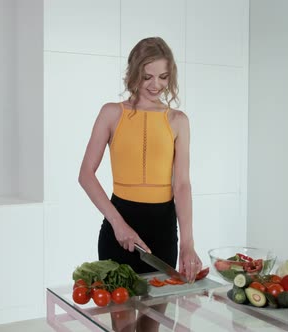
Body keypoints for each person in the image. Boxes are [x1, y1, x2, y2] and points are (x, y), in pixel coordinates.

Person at [78, 37, 203, 331]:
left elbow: (182, 184)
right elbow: (85, 174)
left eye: (162, 77)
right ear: (134, 73)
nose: (155, 84)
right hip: (119, 224)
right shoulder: (112, 112)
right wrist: (118, 224)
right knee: (122, 325)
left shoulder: (178, 120)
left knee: (152, 324)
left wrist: (187, 243)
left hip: (162, 231)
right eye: (147, 76)